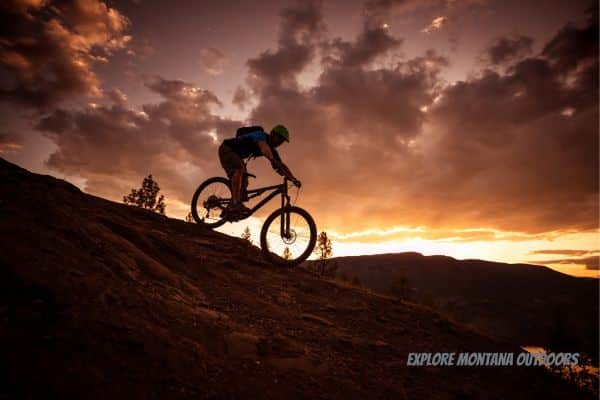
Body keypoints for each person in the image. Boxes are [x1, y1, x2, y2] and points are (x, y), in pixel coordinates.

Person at [218, 124, 301, 219]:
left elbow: (282, 165)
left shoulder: (272, 150)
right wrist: (273, 160)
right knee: (239, 169)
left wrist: (293, 179)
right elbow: (264, 148)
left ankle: (230, 210)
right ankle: (236, 203)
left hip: (237, 156)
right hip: (227, 149)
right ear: (273, 134)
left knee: (243, 188)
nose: (280, 143)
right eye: (280, 139)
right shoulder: (260, 134)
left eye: (282, 141)